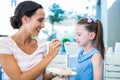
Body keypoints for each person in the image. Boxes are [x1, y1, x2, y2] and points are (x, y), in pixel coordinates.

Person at [0, 1, 63, 80]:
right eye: (40, 20)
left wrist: (55, 73)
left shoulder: (42, 45)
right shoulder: (5, 44)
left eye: (44, 21)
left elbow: (41, 77)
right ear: (25, 19)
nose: (43, 25)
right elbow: (19, 78)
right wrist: (49, 56)